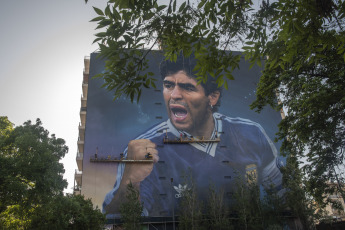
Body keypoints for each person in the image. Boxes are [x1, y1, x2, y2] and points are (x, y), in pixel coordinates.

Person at [103, 54, 283, 216]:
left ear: (212, 97)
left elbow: (285, 198)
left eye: (187, 87)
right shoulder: (143, 150)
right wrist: (129, 181)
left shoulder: (251, 133)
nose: (174, 95)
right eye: (168, 85)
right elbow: (118, 221)